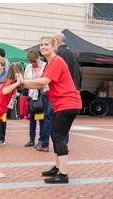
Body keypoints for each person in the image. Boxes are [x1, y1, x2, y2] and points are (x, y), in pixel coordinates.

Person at [21, 36, 82, 184]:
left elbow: (44, 81)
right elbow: (40, 85)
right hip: (62, 104)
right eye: (41, 44)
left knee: (58, 136)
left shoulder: (56, 61)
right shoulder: (49, 64)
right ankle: (57, 167)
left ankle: (63, 175)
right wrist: (22, 84)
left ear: (54, 47)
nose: (43, 47)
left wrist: (23, 82)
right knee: (55, 136)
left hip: (68, 103)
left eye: (46, 44)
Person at [24, 50, 51, 152]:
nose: (33, 64)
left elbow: (46, 81)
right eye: (31, 62)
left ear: (38, 58)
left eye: (34, 62)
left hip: (42, 96)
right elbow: (26, 79)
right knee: (32, 119)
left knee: (42, 119)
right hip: (31, 95)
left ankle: (41, 140)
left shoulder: (45, 66)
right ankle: (31, 140)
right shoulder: (28, 67)